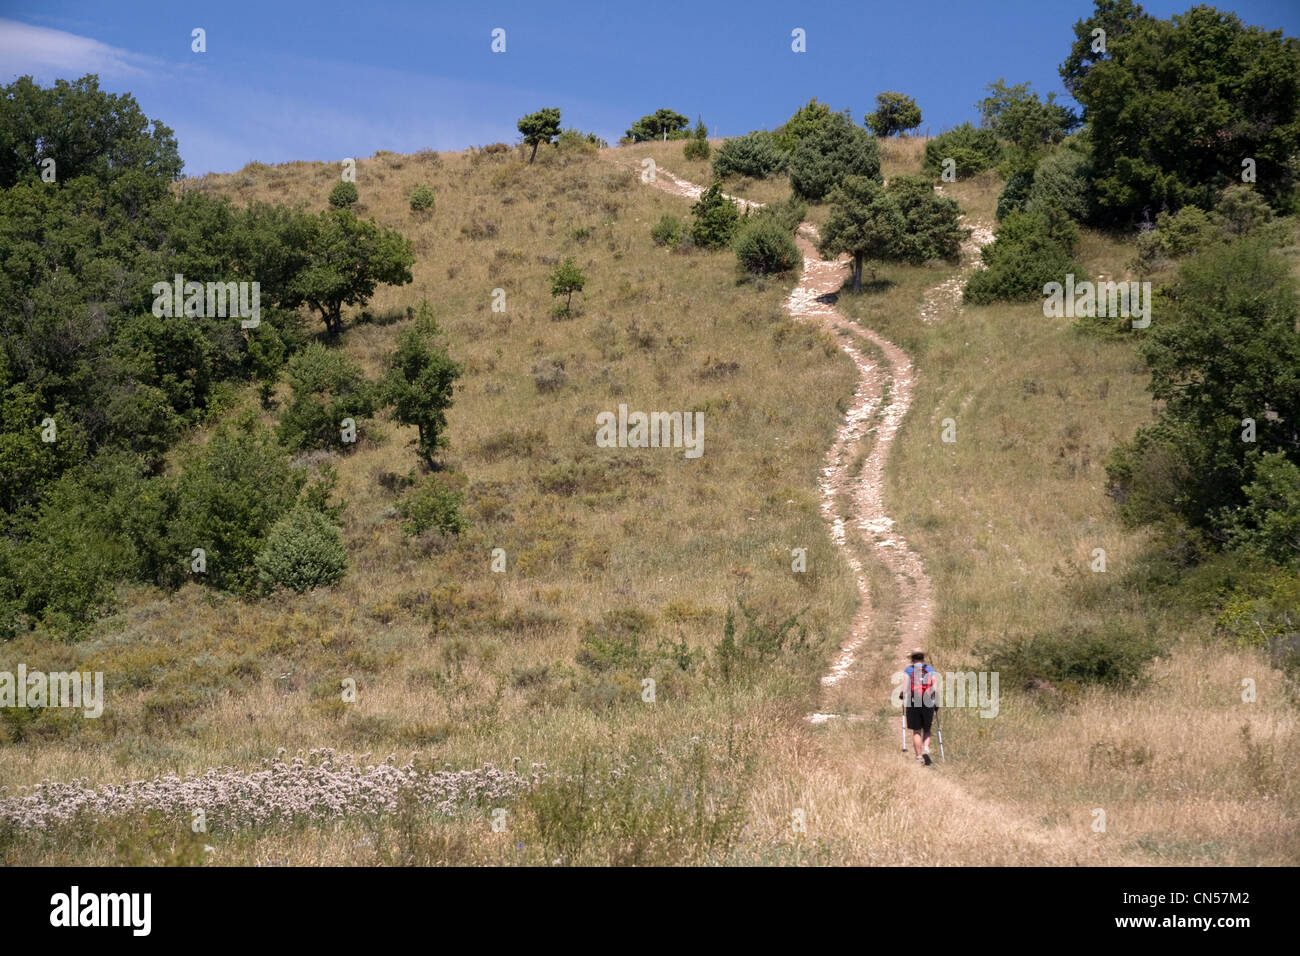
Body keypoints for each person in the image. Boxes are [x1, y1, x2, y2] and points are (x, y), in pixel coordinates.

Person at [903, 648, 937, 765]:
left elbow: (905, 688)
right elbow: (935, 687)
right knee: (927, 729)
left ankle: (918, 757)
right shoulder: (929, 669)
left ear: (912, 659)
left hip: (914, 702)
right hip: (928, 702)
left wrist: (902, 695)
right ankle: (926, 749)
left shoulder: (909, 670)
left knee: (916, 731)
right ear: (923, 658)